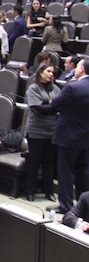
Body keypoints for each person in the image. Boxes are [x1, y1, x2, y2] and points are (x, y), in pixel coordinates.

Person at [50, 57, 89, 214]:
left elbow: (55, 104)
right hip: (86, 138)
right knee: (83, 173)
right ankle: (83, 206)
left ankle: (65, 206)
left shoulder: (73, 87)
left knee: (66, 173)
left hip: (68, 137)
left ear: (82, 69)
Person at [24, 63, 61, 202]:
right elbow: (37, 108)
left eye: (52, 72)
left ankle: (49, 191)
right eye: (48, 71)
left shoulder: (56, 89)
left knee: (49, 162)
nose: (51, 74)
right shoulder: (33, 88)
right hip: (36, 131)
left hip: (52, 130)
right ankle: (30, 191)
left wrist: (51, 107)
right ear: (40, 72)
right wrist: (53, 108)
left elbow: (60, 105)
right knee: (34, 162)